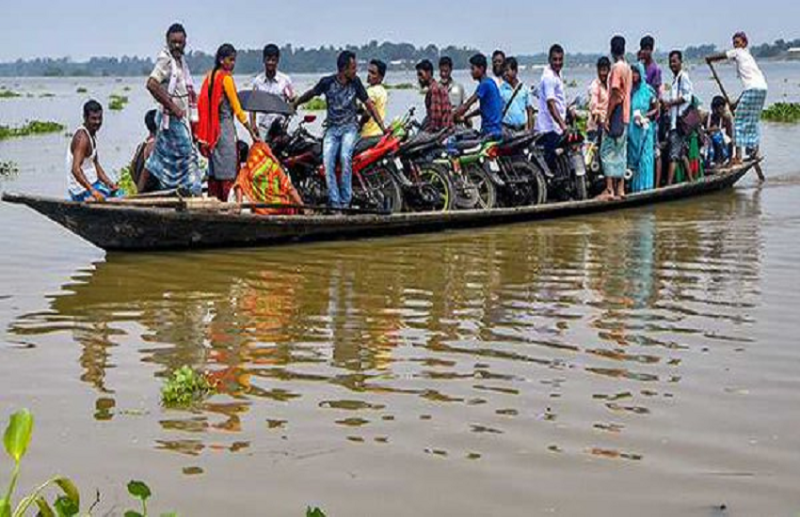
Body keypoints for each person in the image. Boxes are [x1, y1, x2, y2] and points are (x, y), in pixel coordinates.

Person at [293, 51, 386, 209]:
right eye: (353, 68)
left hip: (350, 128)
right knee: (327, 163)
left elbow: (369, 105)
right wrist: (296, 103)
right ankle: (336, 204)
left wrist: (383, 127)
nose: (356, 71)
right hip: (332, 130)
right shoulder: (327, 82)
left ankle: (346, 200)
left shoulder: (355, 83)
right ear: (343, 69)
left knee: (344, 157)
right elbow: (311, 94)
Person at [138, 23, 201, 195]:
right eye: (173, 42)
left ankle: (140, 193)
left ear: (185, 42)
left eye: (180, 42)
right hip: (170, 119)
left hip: (176, 120)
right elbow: (152, 84)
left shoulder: (180, 62)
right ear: (167, 41)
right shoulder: (165, 59)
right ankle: (195, 191)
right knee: (189, 158)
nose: (177, 46)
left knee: (157, 158)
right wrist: (173, 107)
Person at [196, 44, 260, 202]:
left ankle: (214, 203)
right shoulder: (226, 79)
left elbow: (202, 104)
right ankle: (228, 204)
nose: (233, 64)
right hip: (224, 132)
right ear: (221, 60)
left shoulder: (209, 76)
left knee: (214, 171)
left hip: (211, 134)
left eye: (234, 60)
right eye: (230, 60)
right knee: (228, 171)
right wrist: (251, 132)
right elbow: (238, 111)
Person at [706, 31, 769, 167]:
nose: (735, 45)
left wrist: (709, 58)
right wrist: (738, 101)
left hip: (754, 89)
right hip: (762, 89)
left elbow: (722, 55)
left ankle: (738, 157)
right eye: (734, 43)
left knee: (738, 120)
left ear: (744, 43)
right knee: (753, 119)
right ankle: (754, 151)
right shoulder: (748, 56)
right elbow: (750, 87)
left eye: (738, 42)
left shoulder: (739, 52)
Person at [67, 100, 120, 202]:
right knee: (116, 200)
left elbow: (95, 164)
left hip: (94, 184)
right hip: (81, 191)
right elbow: (75, 169)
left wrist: (110, 183)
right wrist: (93, 191)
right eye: (93, 119)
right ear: (85, 118)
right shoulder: (82, 138)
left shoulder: (92, 134)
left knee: (120, 194)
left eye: (100, 118)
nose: (97, 122)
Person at [600, 35, 633, 199]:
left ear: (612, 50)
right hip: (626, 116)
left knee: (606, 152)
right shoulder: (627, 68)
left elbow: (615, 94)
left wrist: (607, 117)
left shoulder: (616, 69)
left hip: (616, 115)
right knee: (621, 152)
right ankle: (621, 189)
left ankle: (609, 189)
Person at [234, 141, 305, 215]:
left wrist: (239, 205)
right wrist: (302, 207)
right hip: (280, 207)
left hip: (260, 210)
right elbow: (290, 189)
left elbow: (239, 186)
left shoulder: (246, 171)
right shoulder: (274, 167)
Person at [453, 53, 504, 139]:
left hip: (489, 131)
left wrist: (452, 116)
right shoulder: (491, 82)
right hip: (496, 130)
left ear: (481, 69)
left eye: (473, 69)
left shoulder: (484, 85)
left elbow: (468, 104)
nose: (471, 72)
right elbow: (482, 109)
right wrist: (467, 117)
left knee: (456, 142)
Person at [662, 50, 694, 185]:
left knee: (673, 156)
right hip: (675, 122)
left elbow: (687, 97)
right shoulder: (675, 79)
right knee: (681, 153)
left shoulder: (683, 77)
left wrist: (670, 103)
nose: (672, 64)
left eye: (674, 61)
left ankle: (668, 185)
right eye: (670, 61)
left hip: (680, 122)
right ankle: (691, 180)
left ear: (681, 62)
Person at [251, 44, 295, 139]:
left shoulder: (285, 81)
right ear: (263, 60)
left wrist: (287, 120)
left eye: (273, 60)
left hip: (280, 127)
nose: (270, 63)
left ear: (277, 61)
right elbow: (252, 106)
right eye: (268, 60)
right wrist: (253, 125)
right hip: (263, 127)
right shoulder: (258, 82)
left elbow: (291, 103)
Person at [535, 44, 568, 171]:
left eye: (560, 59)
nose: (558, 62)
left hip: (556, 127)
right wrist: (562, 124)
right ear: (549, 59)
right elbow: (551, 104)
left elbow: (558, 100)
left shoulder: (557, 74)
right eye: (555, 59)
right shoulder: (549, 77)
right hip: (549, 128)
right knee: (549, 164)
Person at [628, 62, 659, 193]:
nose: (634, 75)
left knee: (645, 160)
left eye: (636, 72)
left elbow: (657, 109)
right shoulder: (628, 91)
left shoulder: (648, 90)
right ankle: (636, 189)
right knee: (634, 161)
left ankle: (647, 188)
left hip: (645, 129)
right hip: (632, 130)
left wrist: (645, 115)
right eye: (632, 72)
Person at [416, 59, 454, 132]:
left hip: (442, 131)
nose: (419, 78)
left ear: (429, 73)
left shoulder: (434, 89)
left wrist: (429, 131)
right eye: (418, 75)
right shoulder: (437, 86)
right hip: (445, 129)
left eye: (421, 74)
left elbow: (436, 117)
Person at [500, 57, 535, 132]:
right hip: (506, 129)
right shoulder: (501, 90)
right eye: (503, 71)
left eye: (507, 70)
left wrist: (530, 130)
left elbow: (529, 110)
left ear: (515, 71)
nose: (505, 74)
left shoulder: (524, 89)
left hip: (522, 129)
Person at [130, 109, 158, 190]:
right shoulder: (154, 146)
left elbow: (132, 169)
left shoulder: (142, 145)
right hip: (149, 190)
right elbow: (146, 173)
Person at [360, 60, 388, 138]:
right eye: (369, 71)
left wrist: (359, 126)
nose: (369, 75)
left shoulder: (371, 91)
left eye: (373, 73)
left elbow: (367, 113)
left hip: (368, 134)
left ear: (380, 77)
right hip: (379, 133)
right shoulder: (382, 90)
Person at [703, 95, 734, 168]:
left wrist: (730, 161)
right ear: (713, 108)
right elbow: (700, 131)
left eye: (722, 108)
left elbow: (730, 139)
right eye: (719, 109)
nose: (721, 111)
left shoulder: (725, 120)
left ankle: (719, 162)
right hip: (708, 148)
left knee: (718, 137)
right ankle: (707, 163)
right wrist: (709, 131)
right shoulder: (707, 118)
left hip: (722, 151)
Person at [587, 57, 611, 140]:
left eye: (604, 70)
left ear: (609, 70)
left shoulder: (610, 84)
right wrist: (601, 121)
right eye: (600, 70)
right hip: (596, 127)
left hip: (608, 124)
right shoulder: (594, 86)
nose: (602, 73)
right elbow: (594, 109)